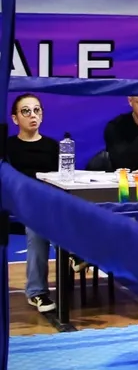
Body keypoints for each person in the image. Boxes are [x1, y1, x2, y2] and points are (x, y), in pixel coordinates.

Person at [8, 94, 59, 313]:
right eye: (26, 111)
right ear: (15, 118)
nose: (33, 115)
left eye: (37, 110)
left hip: (48, 204)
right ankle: (37, 292)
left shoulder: (53, 146)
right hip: (17, 204)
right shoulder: (6, 147)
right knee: (37, 222)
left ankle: (76, 254)